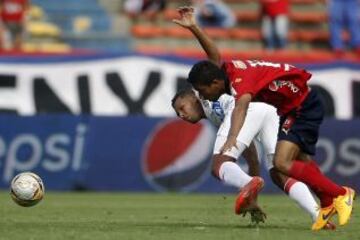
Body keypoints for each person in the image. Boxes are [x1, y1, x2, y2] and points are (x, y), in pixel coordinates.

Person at [172, 6, 355, 231]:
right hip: (272, 110)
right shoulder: (216, 94)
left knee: (222, 164)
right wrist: (252, 189)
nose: (181, 114)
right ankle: (321, 211)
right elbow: (249, 150)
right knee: (281, 170)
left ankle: (340, 193)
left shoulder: (207, 88)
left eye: (181, 107)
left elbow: (233, 92)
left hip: (283, 106)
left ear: (192, 94)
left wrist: (194, 28)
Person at [172, 89, 335, 229]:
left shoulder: (203, 93)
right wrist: (252, 198)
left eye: (182, 107)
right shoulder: (215, 115)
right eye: (177, 113)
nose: (181, 115)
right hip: (268, 111)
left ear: (194, 98)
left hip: (247, 108)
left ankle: (246, 183)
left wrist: (247, 184)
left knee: (218, 165)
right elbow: (251, 156)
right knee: (279, 174)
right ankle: (319, 217)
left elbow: (213, 62)